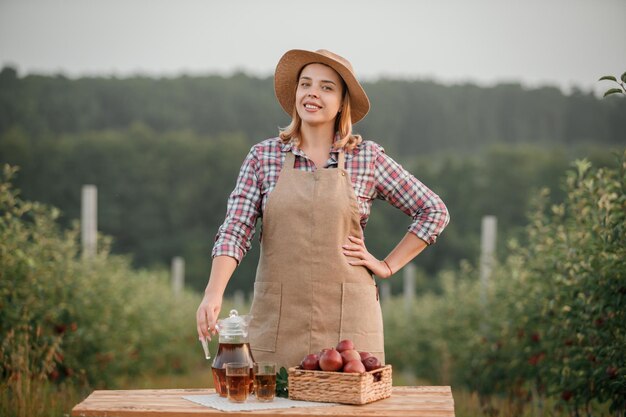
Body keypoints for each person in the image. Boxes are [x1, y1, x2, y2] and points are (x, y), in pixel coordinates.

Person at [196, 49, 450, 370]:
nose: (313, 92)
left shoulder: (366, 158)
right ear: (296, 94)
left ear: (342, 102)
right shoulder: (263, 157)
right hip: (278, 321)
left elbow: (433, 211)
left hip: (349, 328)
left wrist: (386, 265)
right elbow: (235, 230)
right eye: (306, 84)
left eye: (327, 87)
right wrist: (213, 293)